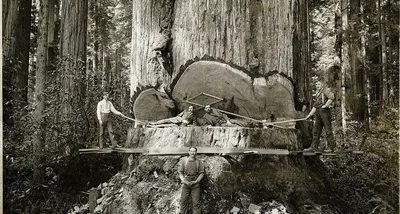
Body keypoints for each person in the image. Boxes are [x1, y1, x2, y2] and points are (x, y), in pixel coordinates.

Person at [303, 80, 336, 153]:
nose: (317, 85)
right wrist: (309, 115)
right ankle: (313, 147)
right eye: (316, 84)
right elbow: (315, 106)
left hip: (325, 113)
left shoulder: (325, 91)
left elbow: (331, 97)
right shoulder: (317, 94)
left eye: (318, 84)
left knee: (328, 130)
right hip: (318, 114)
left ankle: (331, 147)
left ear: (322, 85)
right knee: (316, 131)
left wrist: (325, 105)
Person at [178, 147, 205, 214]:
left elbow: (202, 173)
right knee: (183, 202)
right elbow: (180, 173)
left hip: (195, 185)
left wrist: (196, 181)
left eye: (194, 151)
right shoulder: (184, 161)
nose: (192, 153)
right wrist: (183, 181)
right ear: (189, 152)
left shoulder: (199, 162)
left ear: (196, 153)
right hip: (185, 184)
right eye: (191, 151)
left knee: (196, 203)